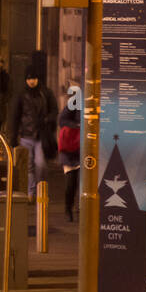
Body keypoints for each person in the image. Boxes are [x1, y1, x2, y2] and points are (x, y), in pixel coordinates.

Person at [5, 68, 58, 202]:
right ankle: (30, 193)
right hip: (26, 135)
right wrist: (13, 136)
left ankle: (42, 190)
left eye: (33, 78)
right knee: (28, 166)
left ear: (38, 79)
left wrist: (47, 120)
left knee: (40, 164)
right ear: (25, 80)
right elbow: (15, 116)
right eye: (29, 79)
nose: (31, 81)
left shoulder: (46, 93)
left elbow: (54, 110)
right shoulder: (21, 94)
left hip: (41, 135)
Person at [57, 91, 82, 221]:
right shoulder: (76, 100)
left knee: (83, 182)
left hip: (85, 151)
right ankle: (68, 208)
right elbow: (62, 120)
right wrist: (79, 126)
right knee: (71, 183)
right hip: (71, 150)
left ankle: (81, 210)